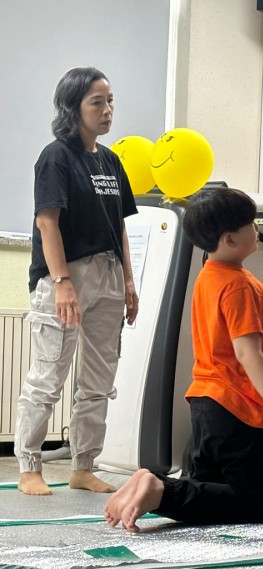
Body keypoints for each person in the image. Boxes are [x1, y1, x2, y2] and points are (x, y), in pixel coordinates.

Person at [103, 188, 263, 532]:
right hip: (243, 411)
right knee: (254, 502)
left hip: (207, 403)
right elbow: (248, 353)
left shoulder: (208, 275)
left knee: (208, 492)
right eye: (251, 224)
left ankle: (154, 484)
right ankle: (158, 490)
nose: (257, 229)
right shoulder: (239, 286)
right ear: (230, 239)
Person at [15, 67, 139, 496]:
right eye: (96, 102)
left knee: (99, 380)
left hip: (109, 274)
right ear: (73, 107)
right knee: (48, 376)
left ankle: (83, 466)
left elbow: (120, 226)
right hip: (66, 274)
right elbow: (47, 223)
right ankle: (29, 467)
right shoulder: (56, 157)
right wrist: (62, 282)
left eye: (110, 101)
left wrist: (129, 281)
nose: (107, 111)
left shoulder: (110, 160)